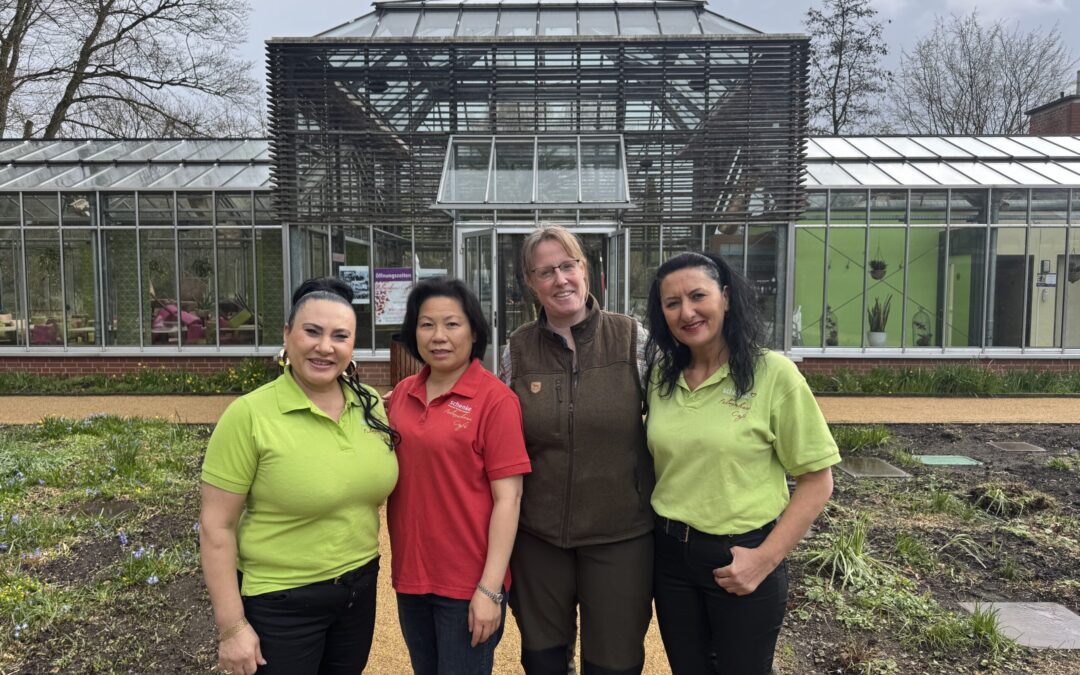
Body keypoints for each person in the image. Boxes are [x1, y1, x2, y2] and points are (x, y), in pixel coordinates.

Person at [644, 252, 839, 675]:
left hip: (741, 555)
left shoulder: (774, 375)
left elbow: (817, 480)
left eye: (699, 296)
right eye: (672, 303)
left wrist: (765, 558)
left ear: (727, 298)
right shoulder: (662, 380)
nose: (687, 312)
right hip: (671, 558)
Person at [199, 277, 399, 675]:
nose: (325, 347)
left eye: (340, 336)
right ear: (287, 336)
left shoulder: (370, 404)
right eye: (312, 331)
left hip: (358, 591)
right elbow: (215, 526)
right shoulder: (250, 415)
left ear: (352, 346)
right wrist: (232, 627)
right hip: (281, 601)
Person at [499, 225, 654, 675]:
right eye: (546, 272)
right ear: (531, 282)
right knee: (543, 659)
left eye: (568, 266)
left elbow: (676, 417)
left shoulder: (632, 340)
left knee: (615, 661)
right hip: (540, 536)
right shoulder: (517, 349)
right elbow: (501, 432)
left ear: (585, 270)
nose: (560, 279)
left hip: (620, 533)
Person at [386, 277, 531, 674]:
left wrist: (490, 588)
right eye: (426, 324)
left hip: (467, 584)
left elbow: (509, 499)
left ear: (473, 330)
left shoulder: (495, 400)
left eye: (452, 324)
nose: (438, 336)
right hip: (411, 576)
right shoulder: (401, 396)